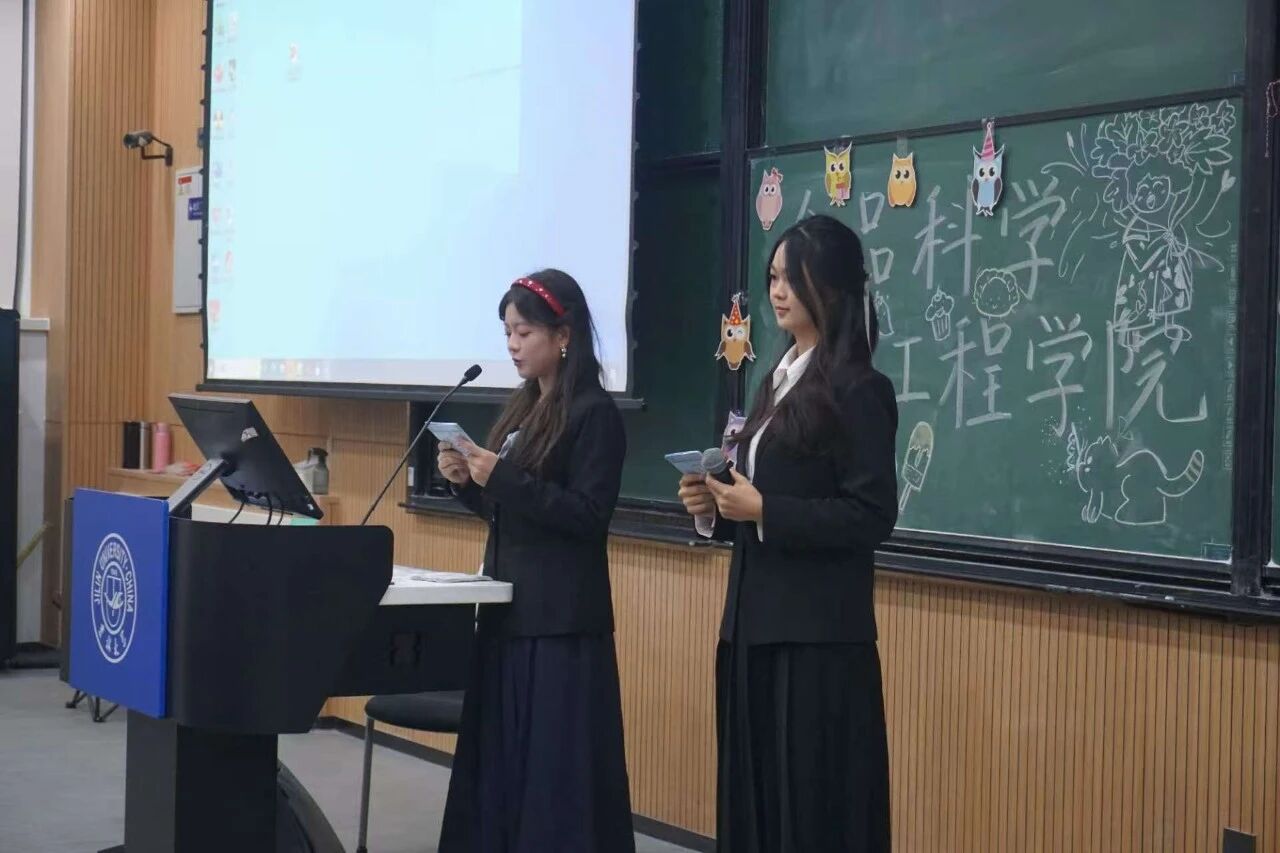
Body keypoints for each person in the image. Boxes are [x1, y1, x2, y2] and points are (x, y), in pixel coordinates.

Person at [679, 215, 899, 852]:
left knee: (808, 806)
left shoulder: (860, 388)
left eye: (791, 280)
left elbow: (870, 515)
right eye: (773, 277)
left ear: (829, 287)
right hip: (751, 628)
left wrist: (765, 509)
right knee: (757, 803)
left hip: (815, 640)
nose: (777, 292)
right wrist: (715, 508)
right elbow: (758, 504)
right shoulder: (775, 378)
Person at [437, 270, 635, 853]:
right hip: (508, 609)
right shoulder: (524, 407)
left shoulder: (595, 413)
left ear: (563, 334)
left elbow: (586, 515)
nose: (513, 345)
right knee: (504, 764)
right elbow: (513, 513)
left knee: (554, 771)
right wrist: (466, 484)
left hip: (560, 622)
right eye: (507, 333)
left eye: (524, 332)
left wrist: (502, 478)